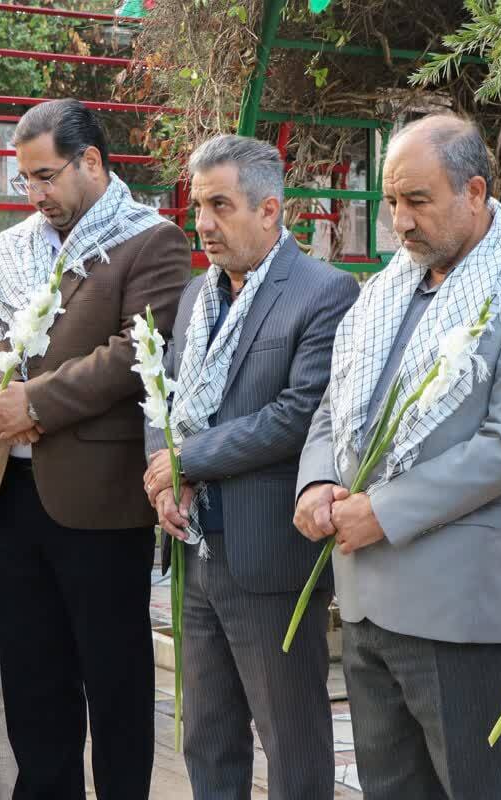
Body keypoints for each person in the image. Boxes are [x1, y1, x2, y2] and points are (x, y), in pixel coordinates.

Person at [294, 113, 501, 799]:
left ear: (475, 192)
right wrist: (318, 481)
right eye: (392, 201)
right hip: (364, 599)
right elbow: (335, 405)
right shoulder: (385, 291)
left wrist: (383, 512)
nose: (400, 221)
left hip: (462, 611)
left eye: (418, 200)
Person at [0, 98, 189, 800]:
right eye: (25, 179)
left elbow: (135, 351)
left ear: (90, 161)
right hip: (13, 492)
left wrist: (36, 403)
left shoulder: (151, 240)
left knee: (114, 681)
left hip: (99, 501)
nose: (35, 193)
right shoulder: (15, 246)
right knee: (31, 675)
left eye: (46, 176)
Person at [142, 134, 358, 799]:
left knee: (290, 741)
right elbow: (162, 394)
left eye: (220, 205)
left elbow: (298, 414)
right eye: (198, 206)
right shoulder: (194, 297)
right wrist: (162, 473)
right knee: (205, 737)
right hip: (194, 552)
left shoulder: (324, 291)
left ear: (269, 210)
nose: (203, 223)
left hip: (270, 556)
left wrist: (185, 460)